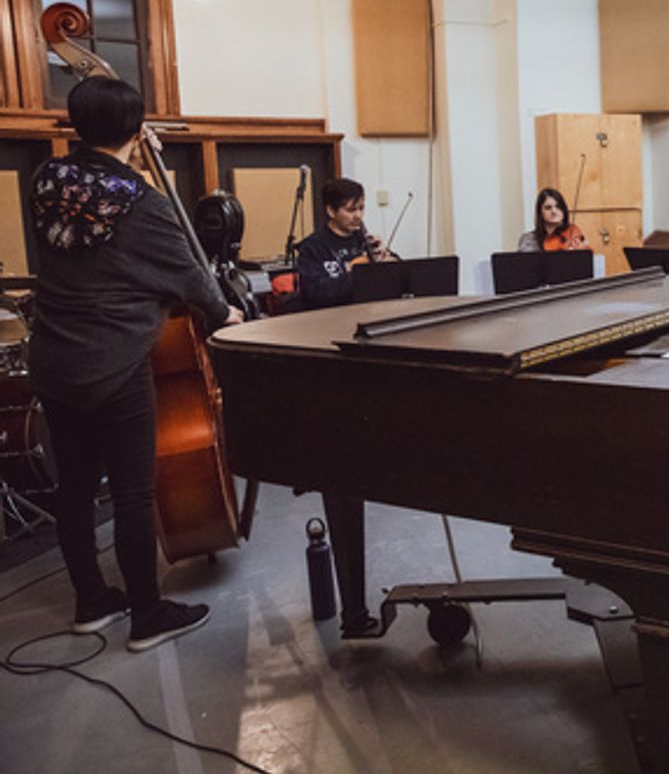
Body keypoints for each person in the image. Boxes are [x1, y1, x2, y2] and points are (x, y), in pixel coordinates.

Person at [27, 77, 243, 652]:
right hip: (116, 363)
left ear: (76, 124)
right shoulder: (141, 202)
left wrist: (128, 154)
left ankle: (92, 601)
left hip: (53, 357)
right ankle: (147, 614)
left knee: (74, 488)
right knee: (131, 492)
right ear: (135, 127)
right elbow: (189, 278)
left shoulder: (45, 182)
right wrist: (225, 312)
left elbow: (101, 257)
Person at [296, 177, 395, 310]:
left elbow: (398, 275)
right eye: (351, 210)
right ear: (331, 211)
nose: (358, 216)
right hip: (332, 318)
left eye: (361, 208)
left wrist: (388, 259)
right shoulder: (312, 247)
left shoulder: (364, 239)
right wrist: (363, 274)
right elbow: (314, 292)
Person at [517, 187, 589, 252]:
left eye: (558, 206)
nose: (554, 211)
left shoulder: (572, 232)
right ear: (540, 213)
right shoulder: (529, 240)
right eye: (548, 208)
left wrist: (579, 253)